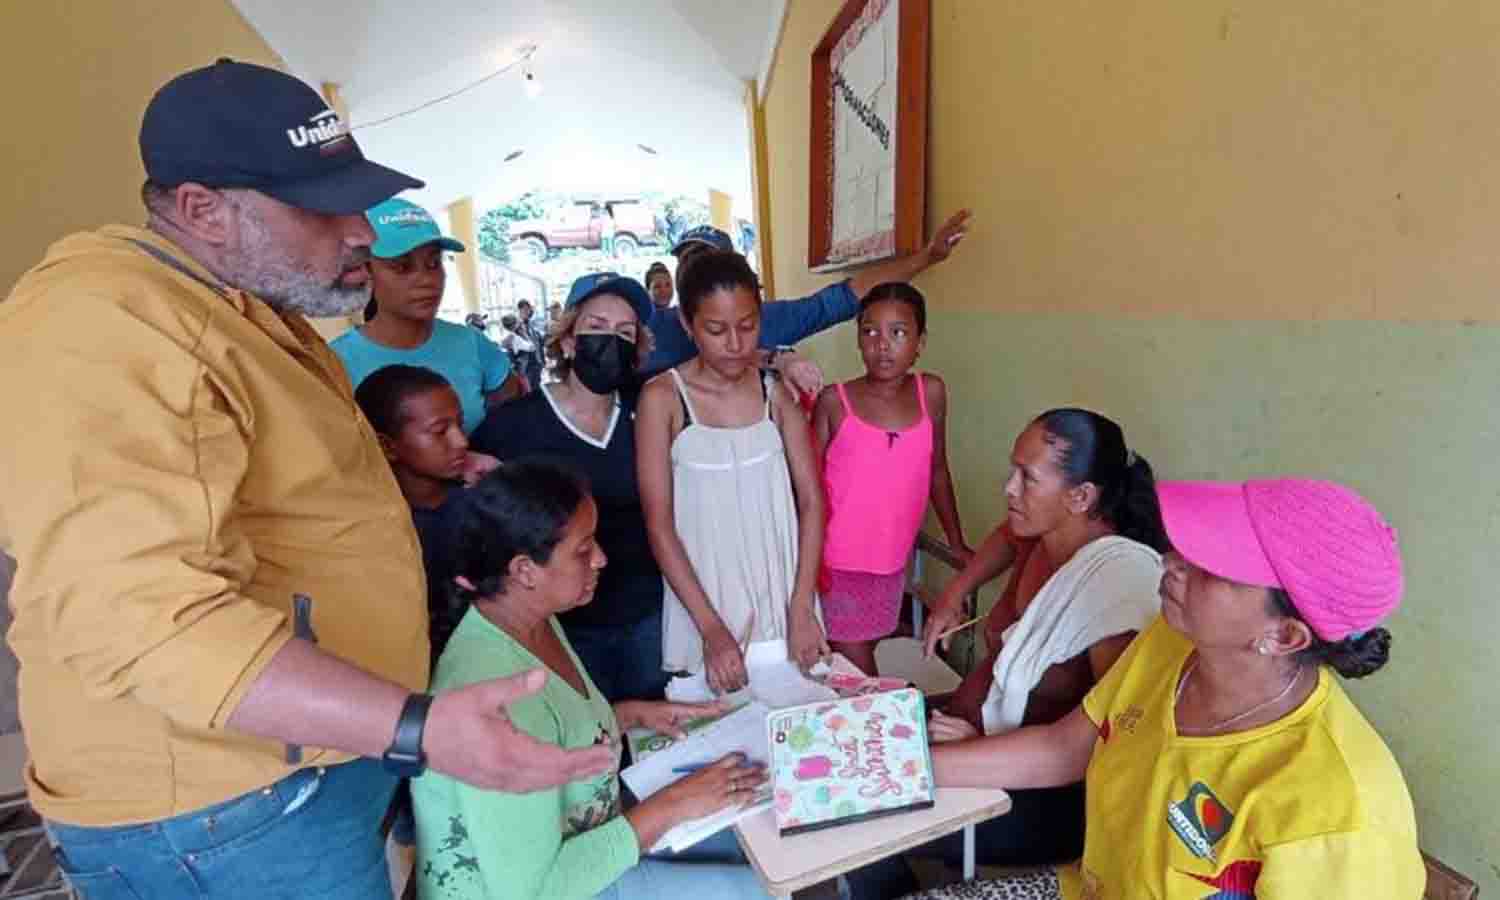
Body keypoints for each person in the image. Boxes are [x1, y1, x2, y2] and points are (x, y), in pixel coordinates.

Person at [0, 60, 613, 899]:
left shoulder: (238, 306)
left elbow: (278, 494)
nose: (360, 231)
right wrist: (418, 728)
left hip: (300, 766)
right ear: (203, 210)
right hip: (221, 810)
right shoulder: (102, 329)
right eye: (324, 208)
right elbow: (142, 620)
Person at [913, 478, 1424, 900]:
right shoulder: (1172, 643)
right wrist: (903, 775)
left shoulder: (1341, 811)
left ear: (1284, 636)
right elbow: (1063, 748)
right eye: (1188, 548)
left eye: (1213, 568)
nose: (1172, 563)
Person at [843, 409, 1168, 898]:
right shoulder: (1040, 537)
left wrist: (973, 745)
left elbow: (1105, 747)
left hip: (1048, 802)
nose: (1008, 489)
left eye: (1027, 478)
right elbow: (1004, 536)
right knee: (851, 740)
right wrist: (954, 594)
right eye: (1012, 470)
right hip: (970, 740)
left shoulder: (1115, 590)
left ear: (1080, 497)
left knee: (859, 813)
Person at [411, 460, 773, 900]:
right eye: (583, 551)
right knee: (762, 889)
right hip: (544, 889)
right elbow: (534, 891)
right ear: (525, 571)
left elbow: (557, 728)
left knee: (759, 829)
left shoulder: (528, 619)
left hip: (587, 836)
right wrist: (674, 803)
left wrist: (626, 716)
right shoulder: (493, 697)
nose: (600, 559)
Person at [471, 273, 674, 703]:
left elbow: (713, 369)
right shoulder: (513, 426)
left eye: (625, 333)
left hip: (648, 614)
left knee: (653, 725)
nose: (611, 341)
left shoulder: (650, 410)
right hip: (561, 627)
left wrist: (780, 360)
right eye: (596, 327)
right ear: (567, 340)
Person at [637, 252, 828, 694]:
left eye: (747, 326)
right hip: (704, 603)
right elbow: (659, 524)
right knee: (719, 725)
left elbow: (812, 502)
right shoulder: (663, 399)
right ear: (687, 324)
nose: (736, 344)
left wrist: (801, 605)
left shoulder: (775, 393)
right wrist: (711, 629)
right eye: (716, 330)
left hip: (784, 598)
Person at [812, 283, 971, 675]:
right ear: (858, 339)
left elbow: (937, 471)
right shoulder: (834, 401)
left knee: (863, 646)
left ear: (920, 342)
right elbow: (807, 485)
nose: (882, 345)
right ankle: (876, 712)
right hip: (837, 559)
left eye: (898, 332)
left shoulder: (930, 393)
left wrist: (956, 542)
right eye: (870, 332)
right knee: (857, 666)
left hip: (891, 556)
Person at [641, 212, 973, 375]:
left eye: (745, 327)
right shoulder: (651, 334)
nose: (733, 342)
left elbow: (845, 296)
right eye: (688, 262)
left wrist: (927, 257)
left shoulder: (772, 319)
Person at [331, 197, 521, 434]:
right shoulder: (335, 363)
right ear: (364, 271)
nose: (426, 280)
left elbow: (515, 429)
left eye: (433, 263)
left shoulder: (472, 343)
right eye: (402, 267)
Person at [355, 365, 472, 666]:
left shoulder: (482, 506)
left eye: (460, 424)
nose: (461, 441)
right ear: (386, 446)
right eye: (440, 431)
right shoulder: (372, 531)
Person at [514, 298, 547, 388]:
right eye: (523, 310)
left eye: (527, 309)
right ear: (519, 311)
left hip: (537, 363)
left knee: (537, 387)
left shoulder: (532, 325)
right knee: (529, 389)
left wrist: (542, 361)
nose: (526, 312)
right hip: (526, 365)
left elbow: (538, 343)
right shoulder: (517, 327)